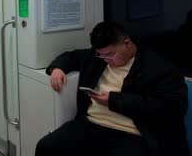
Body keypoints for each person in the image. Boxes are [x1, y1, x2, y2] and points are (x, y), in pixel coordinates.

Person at [35, 21, 189, 156]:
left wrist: (114, 100)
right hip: (91, 125)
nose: (106, 60)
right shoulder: (99, 58)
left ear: (127, 43)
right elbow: (71, 56)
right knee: (46, 146)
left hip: (133, 133)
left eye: (110, 54)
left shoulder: (158, 67)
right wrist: (58, 68)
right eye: (101, 55)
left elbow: (172, 108)